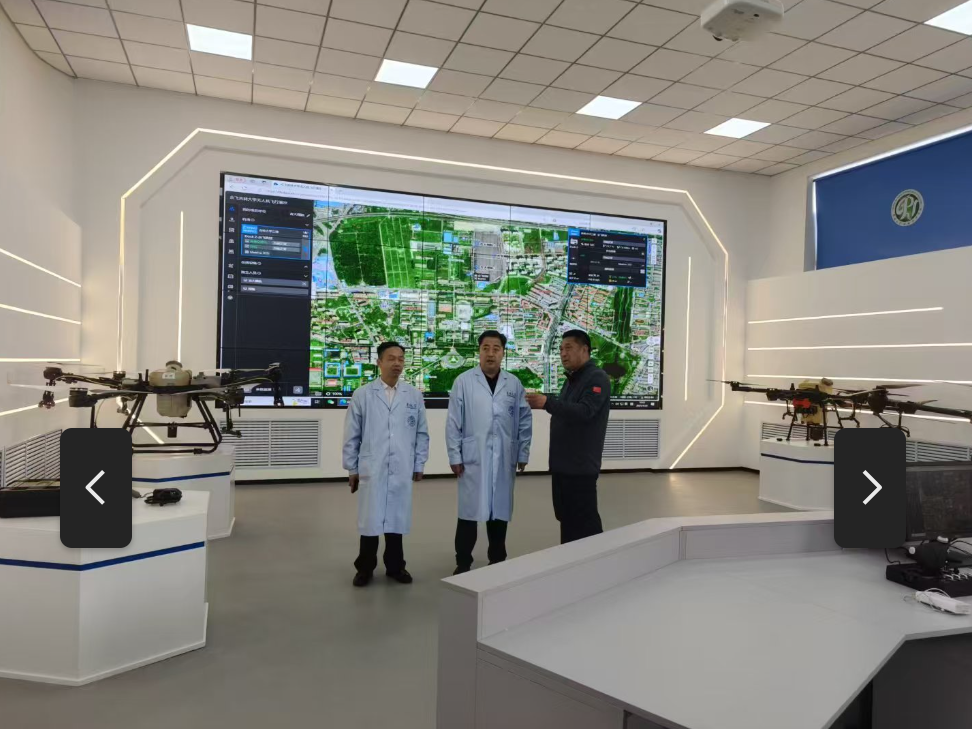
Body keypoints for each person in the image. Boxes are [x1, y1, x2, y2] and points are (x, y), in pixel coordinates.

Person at [342, 342, 429, 587]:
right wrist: (352, 468)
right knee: (370, 520)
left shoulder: (413, 395)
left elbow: (422, 433)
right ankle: (365, 568)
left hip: (402, 465)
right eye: (391, 358)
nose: (397, 363)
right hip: (372, 466)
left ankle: (395, 566)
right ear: (379, 362)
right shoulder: (363, 394)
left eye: (400, 358)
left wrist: (419, 462)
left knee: (396, 519)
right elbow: (352, 435)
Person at [446, 330, 532, 575]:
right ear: (479, 352)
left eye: (496, 348)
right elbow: (453, 422)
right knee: (469, 514)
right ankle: (463, 562)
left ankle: (497, 560)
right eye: (486, 348)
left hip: (504, 457)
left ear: (503, 353)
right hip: (472, 459)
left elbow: (524, 420)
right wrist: (454, 455)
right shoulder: (464, 381)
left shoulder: (513, 384)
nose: (490, 353)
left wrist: (523, 452)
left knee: (499, 514)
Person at [526, 330, 610, 544]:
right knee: (567, 519)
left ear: (585, 350)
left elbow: (585, 411)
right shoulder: (572, 379)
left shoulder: (597, 378)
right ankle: (570, 559)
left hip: (580, 468)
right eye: (561, 349)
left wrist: (547, 403)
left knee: (585, 522)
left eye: (569, 348)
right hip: (563, 466)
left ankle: (596, 560)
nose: (563, 353)